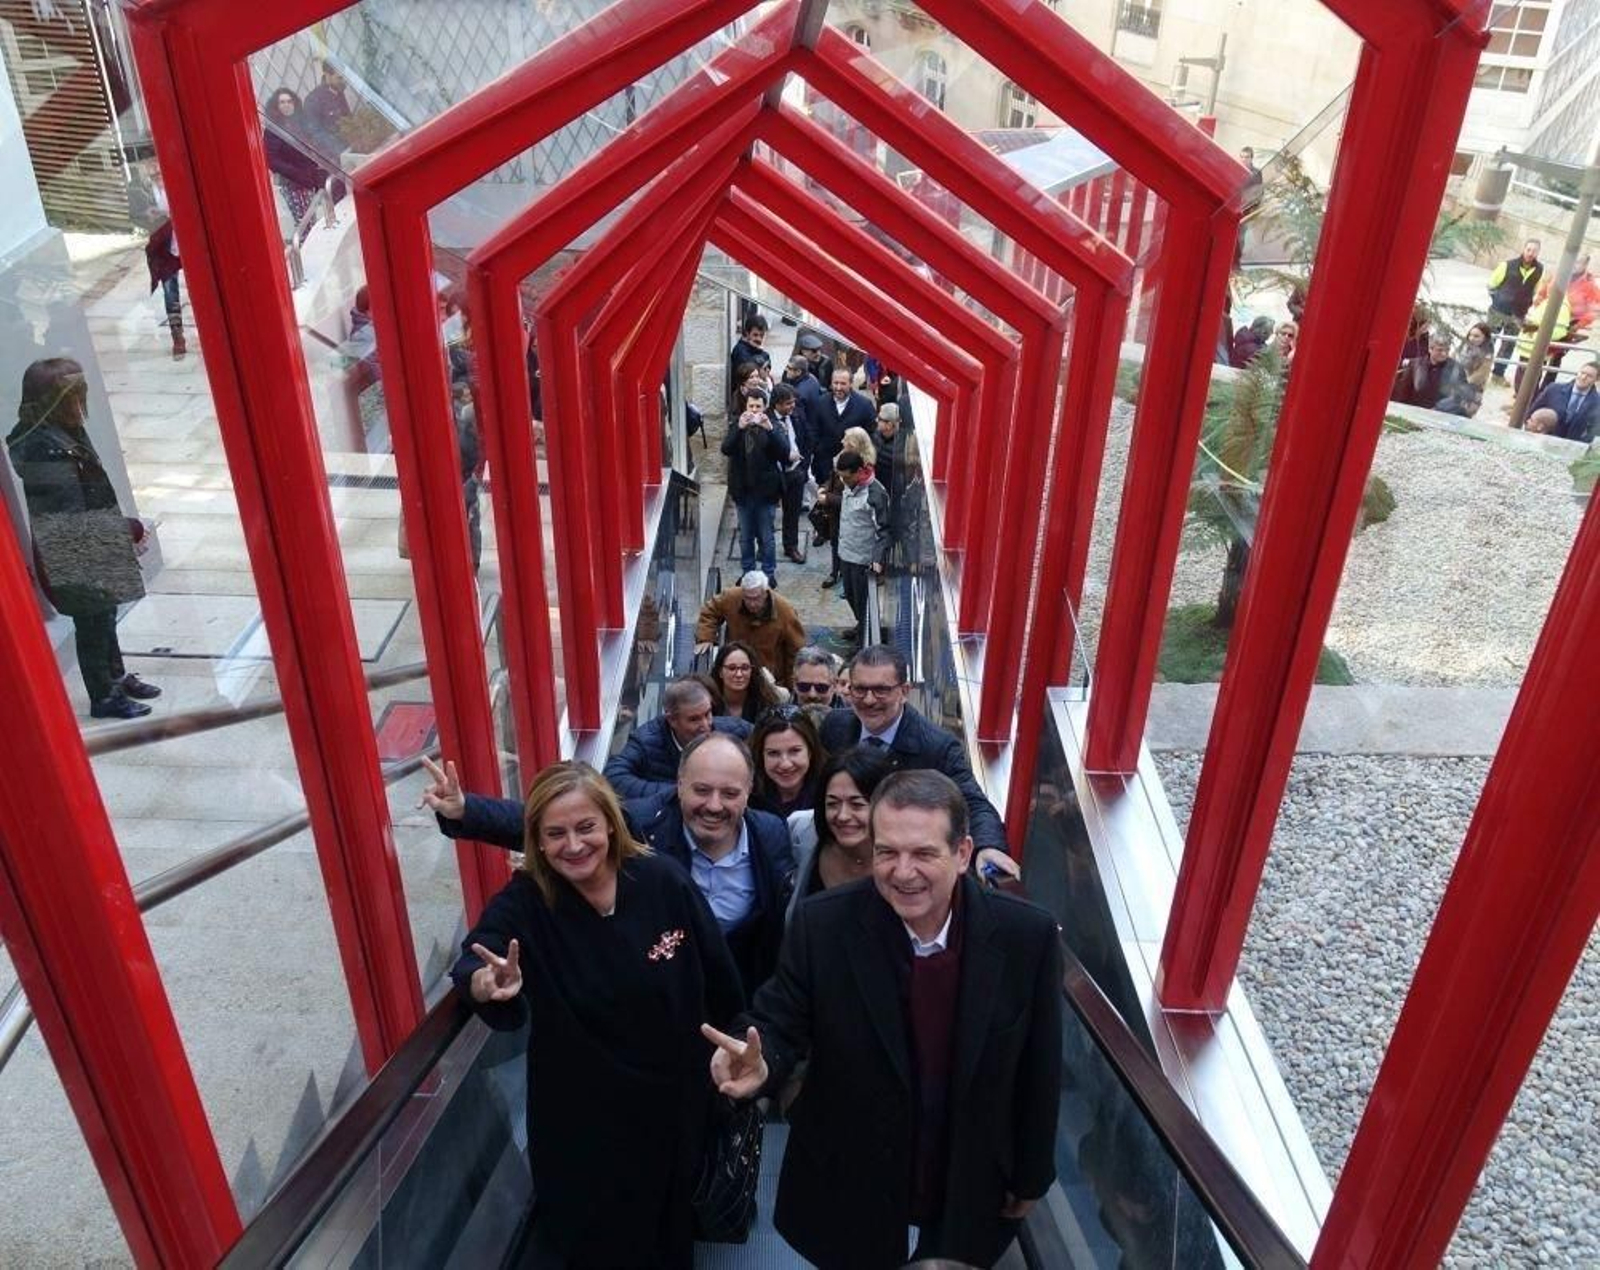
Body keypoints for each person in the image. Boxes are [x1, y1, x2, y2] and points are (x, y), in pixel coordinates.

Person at [703, 769, 1063, 1268]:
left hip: (967, 1175)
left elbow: (1039, 1066)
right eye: (887, 852)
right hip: (853, 1174)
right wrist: (761, 1066)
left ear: (962, 854)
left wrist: (1031, 1174)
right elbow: (781, 1016)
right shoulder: (824, 925)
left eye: (923, 854)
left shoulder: (1027, 937)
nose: (902, 871)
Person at [450, 760, 743, 1269]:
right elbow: (481, 953)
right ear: (537, 842)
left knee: (671, 1235)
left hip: (674, 1106)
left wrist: (736, 1051)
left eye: (586, 827)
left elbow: (720, 980)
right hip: (583, 1124)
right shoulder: (528, 902)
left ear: (610, 822)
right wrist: (486, 982)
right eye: (555, 833)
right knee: (598, 1244)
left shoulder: (661, 880)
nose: (574, 845)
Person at [7, 359, 160, 719]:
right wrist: (128, 528)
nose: (79, 407)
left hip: (90, 547)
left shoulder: (61, 430)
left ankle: (116, 677)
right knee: (93, 624)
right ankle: (104, 695)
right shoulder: (44, 449)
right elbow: (70, 520)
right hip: (74, 555)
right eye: (71, 400)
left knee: (105, 614)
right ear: (51, 403)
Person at [818, 645, 1012, 860]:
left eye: (881, 690)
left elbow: (972, 803)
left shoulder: (937, 747)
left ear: (904, 692)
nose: (869, 700)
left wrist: (989, 847)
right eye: (860, 689)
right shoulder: (835, 726)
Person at [784, 744, 892, 919]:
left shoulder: (905, 861)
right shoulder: (803, 833)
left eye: (857, 805)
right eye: (832, 804)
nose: (842, 816)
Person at [603, 675, 751, 800]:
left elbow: (767, 735)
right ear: (672, 720)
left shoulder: (733, 729)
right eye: (694, 719)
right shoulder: (645, 740)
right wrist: (679, 792)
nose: (705, 725)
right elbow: (613, 777)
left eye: (708, 714)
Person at [695, 569, 807, 686]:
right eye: (748, 598)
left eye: (756, 598)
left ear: (766, 592)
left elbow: (795, 650)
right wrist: (706, 637)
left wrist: (791, 684)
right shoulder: (732, 597)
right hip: (735, 668)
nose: (752, 603)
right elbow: (710, 611)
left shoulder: (785, 612)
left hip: (767, 677)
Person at [722, 385, 786, 585]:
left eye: (758, 406)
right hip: (743, 491)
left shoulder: (773, 425)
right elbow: (726, 448)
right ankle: (748, 571)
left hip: (765, 493)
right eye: (751, 406)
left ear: (765, 407)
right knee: (745, 537)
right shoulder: (737, 424)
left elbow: (784, 452)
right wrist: (739, 428)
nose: (754, 411)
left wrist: (770, 429)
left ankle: (769, 573)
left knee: (767, 537)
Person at [833, 449, 891, 647]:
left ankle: (864, 643)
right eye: (840, 477)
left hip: (863, 560)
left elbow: (884, 530)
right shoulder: (849, 483)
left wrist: (877, 559)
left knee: (863, 602)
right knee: (850, 595)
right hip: (846, 554)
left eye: (846, 477)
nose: (843, 482)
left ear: (859, 472)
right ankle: (861, 626)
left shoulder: (875, 495)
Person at [813, 425, 878, 590]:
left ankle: (847, 577)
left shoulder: (863, 469)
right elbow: (833, 477)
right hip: (836, 514)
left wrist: (827, 498)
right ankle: (835, 572)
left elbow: (852, 499)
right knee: (836, 542)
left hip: (850, 516)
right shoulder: (841, 457)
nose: (842, 441)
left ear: (855, 444)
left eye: (846, 440)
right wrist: (825, 487)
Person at [262, 88, 331, 240]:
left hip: (308, 178)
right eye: (282, 102)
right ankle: (305, 250)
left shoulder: (300, 124)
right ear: (276, 106)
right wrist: (296, 173)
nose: (286, 105)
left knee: (311, 218)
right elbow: (272, 160)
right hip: (292, 183)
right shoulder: (273, 130)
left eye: (289, 101)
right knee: (304, 221)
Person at [749, 704, 825, 820]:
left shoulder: (829, 793)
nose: (785, 764)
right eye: (773, 753)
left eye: (794, 751)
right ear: (760, 755)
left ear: (810, 751)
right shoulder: (746, 796)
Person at [769, 383, 814, 565]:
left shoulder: (796, 416)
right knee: (768, 513)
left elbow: (806, 440)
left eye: (793, 402)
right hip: (773, 474)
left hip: (795, 473)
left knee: (792, 513)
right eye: (787, 404)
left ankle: (791, 546)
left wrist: (803, 467)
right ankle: (764, 546)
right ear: (777, 404)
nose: (792, 407)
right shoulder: (766, 419)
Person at [1487, 239, 1544, 381]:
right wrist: (1498, 301)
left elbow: (1536, 291)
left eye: (1534, 251)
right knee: (1489, 340)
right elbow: (1491, 285)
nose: (1531, 253)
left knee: (1508, 345)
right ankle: (1479, 368)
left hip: (1518, 314)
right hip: (1498, 311)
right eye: (1529, 249)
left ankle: (1497, 374)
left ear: (1538, 253)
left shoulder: (1540, 270)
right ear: (1523, 249)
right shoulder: (1507, 265)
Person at [813, 366, 876, 487]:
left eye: (843, 384)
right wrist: (818, 449)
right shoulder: (820, 403)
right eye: (835, 383)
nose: (838, 387)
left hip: (852, 470)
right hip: (824, 465)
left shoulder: (864, 405)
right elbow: (813, 430)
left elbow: (872, 434)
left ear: (851, 384)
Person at [710, 639, 784, 724]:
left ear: (752, 670)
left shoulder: (767, 704)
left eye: (745, 668)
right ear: (720, 672)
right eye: (732, 668)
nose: (739, 674)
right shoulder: (708, 704)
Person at [1526, 360, 1600, 442]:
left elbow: (1595, 432)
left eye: (1589, 376)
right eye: (1582, 373)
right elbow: (1531, 413)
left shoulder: (1597, 402)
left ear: (1596, 380)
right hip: (1544, 441)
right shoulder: (1554, 389)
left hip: (1573, 448)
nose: (1583, 377)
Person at [1392, 333, 1464, 411]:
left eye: (1447, 350)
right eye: (1440, 350)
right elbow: (1403, 392)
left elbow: (1459, 396)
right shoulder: (1415, 365)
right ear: (1430, 349)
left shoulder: (1456, 369)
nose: (1444, 354)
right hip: (1413, 411)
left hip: (1440, 415)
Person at [1436, 321, 1493, 418]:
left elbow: (1480, 376)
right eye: (1470, 335)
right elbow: (1451, 360)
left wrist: (1461, 384)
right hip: (1450, 387)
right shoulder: (1463, 347)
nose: (1472, 338)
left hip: (1469, 392)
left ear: (1485, 338)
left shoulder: (1487, 355)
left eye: (1476, 336)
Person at [303, 59, 353, 156]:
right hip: (335, 155)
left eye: (345, 78)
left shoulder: (338, 91)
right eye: (340, 78)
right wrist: (341, 151)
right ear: (327, 75)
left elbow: (348, 120)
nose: (344, 81)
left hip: (350, 148)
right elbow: (316, 134)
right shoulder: (313, 100)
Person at [728, 312, 772, 412]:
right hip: (744, 401)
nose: (759, 339)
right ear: (747, 333)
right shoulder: (740, 351)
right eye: (755, 335)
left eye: (762, 335)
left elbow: (767, 366)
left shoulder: (757, 350)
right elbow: (750, 372)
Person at [790, 645, 842, 721]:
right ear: (794, 683)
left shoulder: (854, 724)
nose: (812, 695)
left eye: (821, 688)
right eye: (804, 687)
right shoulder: (779, 721)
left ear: (834, 685)